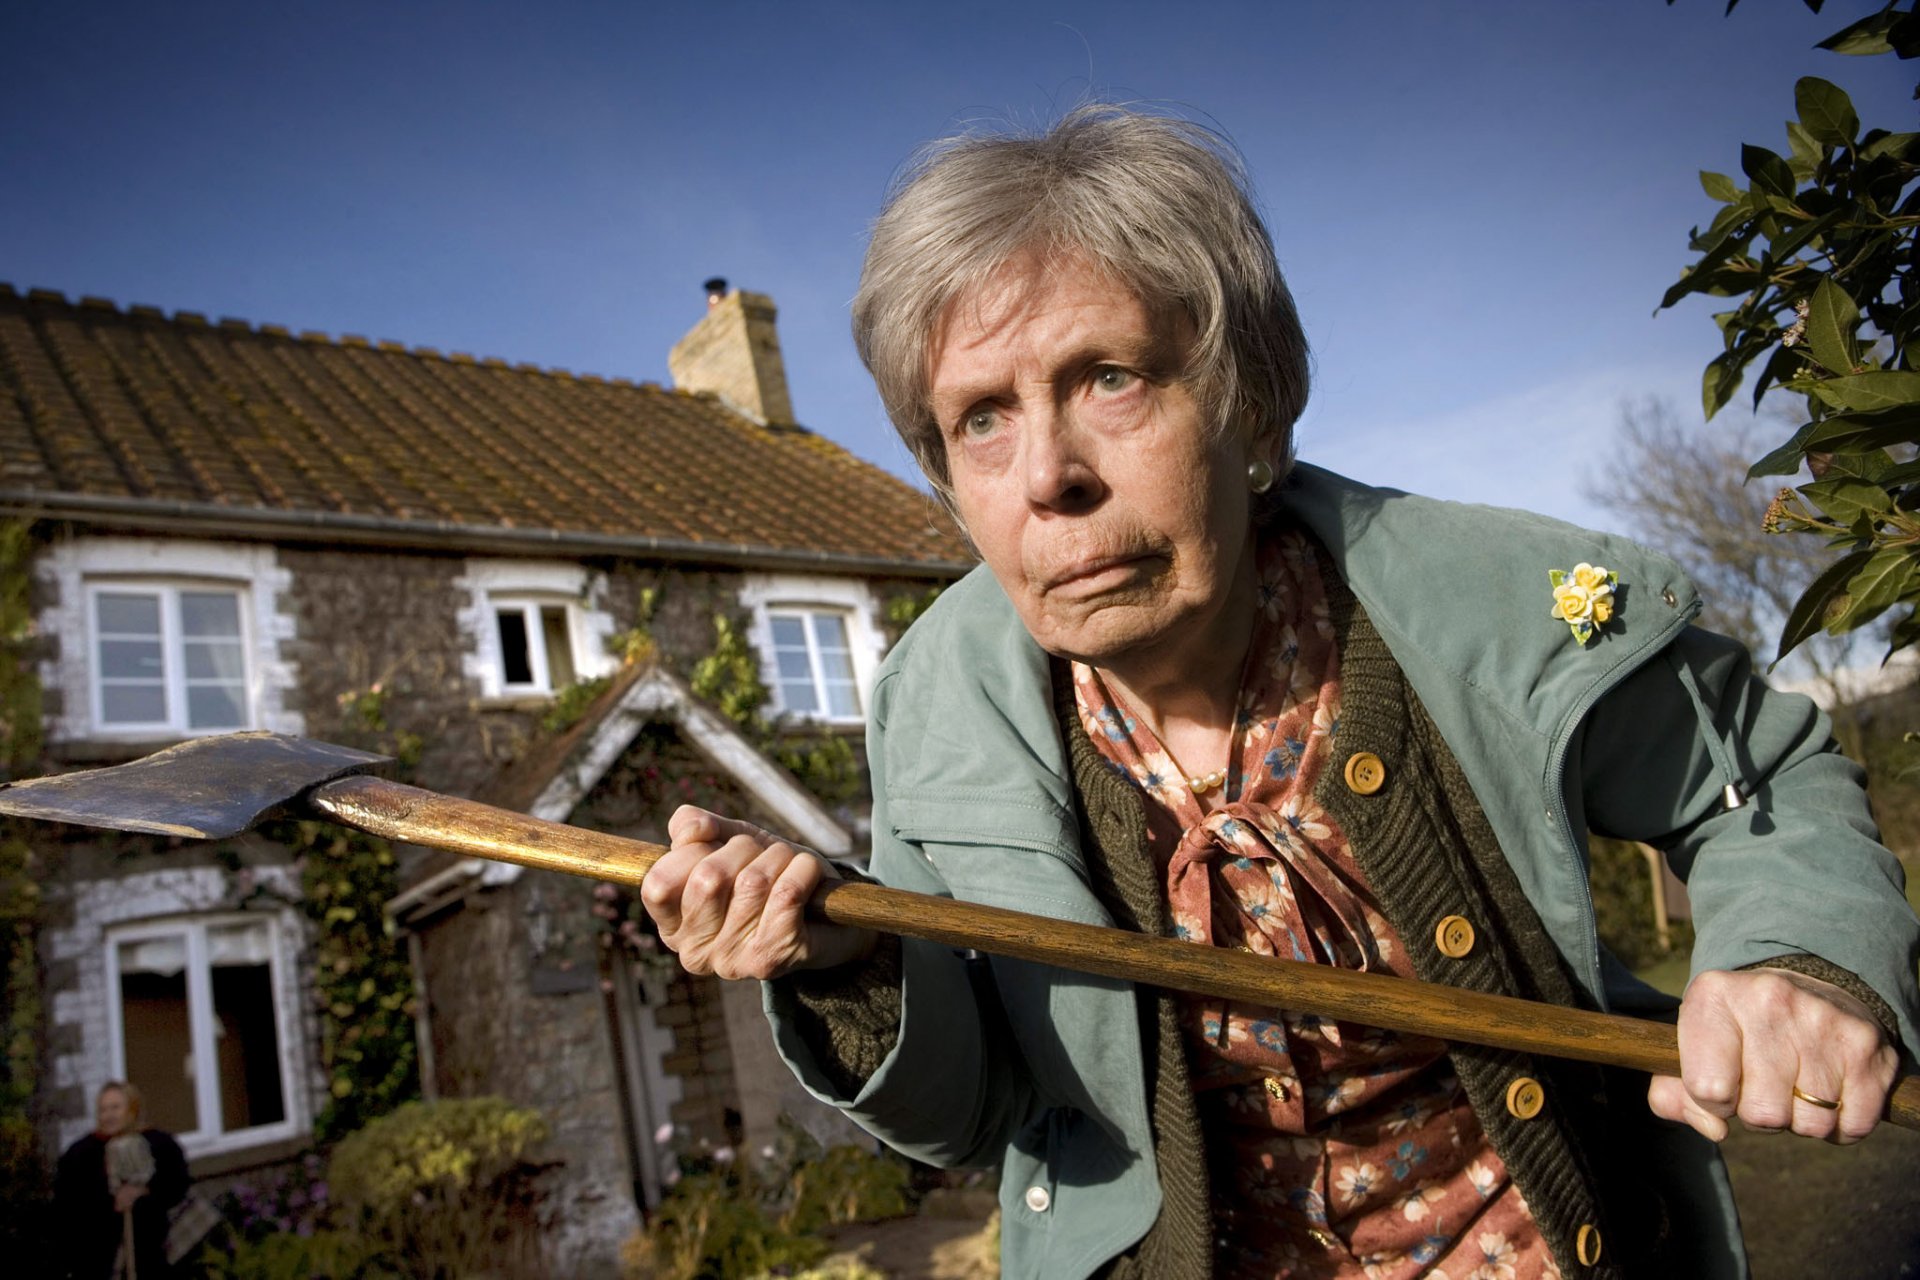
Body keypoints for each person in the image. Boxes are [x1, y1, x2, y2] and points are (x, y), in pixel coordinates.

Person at [640, 107, 1920, 1279]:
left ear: (1253, 408)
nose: (1049, 474)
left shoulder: (1485, 610)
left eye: (1110, 377)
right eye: (981, 417)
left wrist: (1794, 958)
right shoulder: (936, 712)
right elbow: (972, 1118)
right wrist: (848, 955)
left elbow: (1763, 780)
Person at [53, 1081, 189, 1280]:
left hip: (149, 1246)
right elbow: (68, 1204)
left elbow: (177, 1183)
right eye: (103, 1109)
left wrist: (144, 1190)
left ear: (132, 1108)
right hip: (100, 1252)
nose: (109, 1115)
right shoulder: (81, 1153)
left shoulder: (158, 1143)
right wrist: (111, 1200)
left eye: (116, 1107)